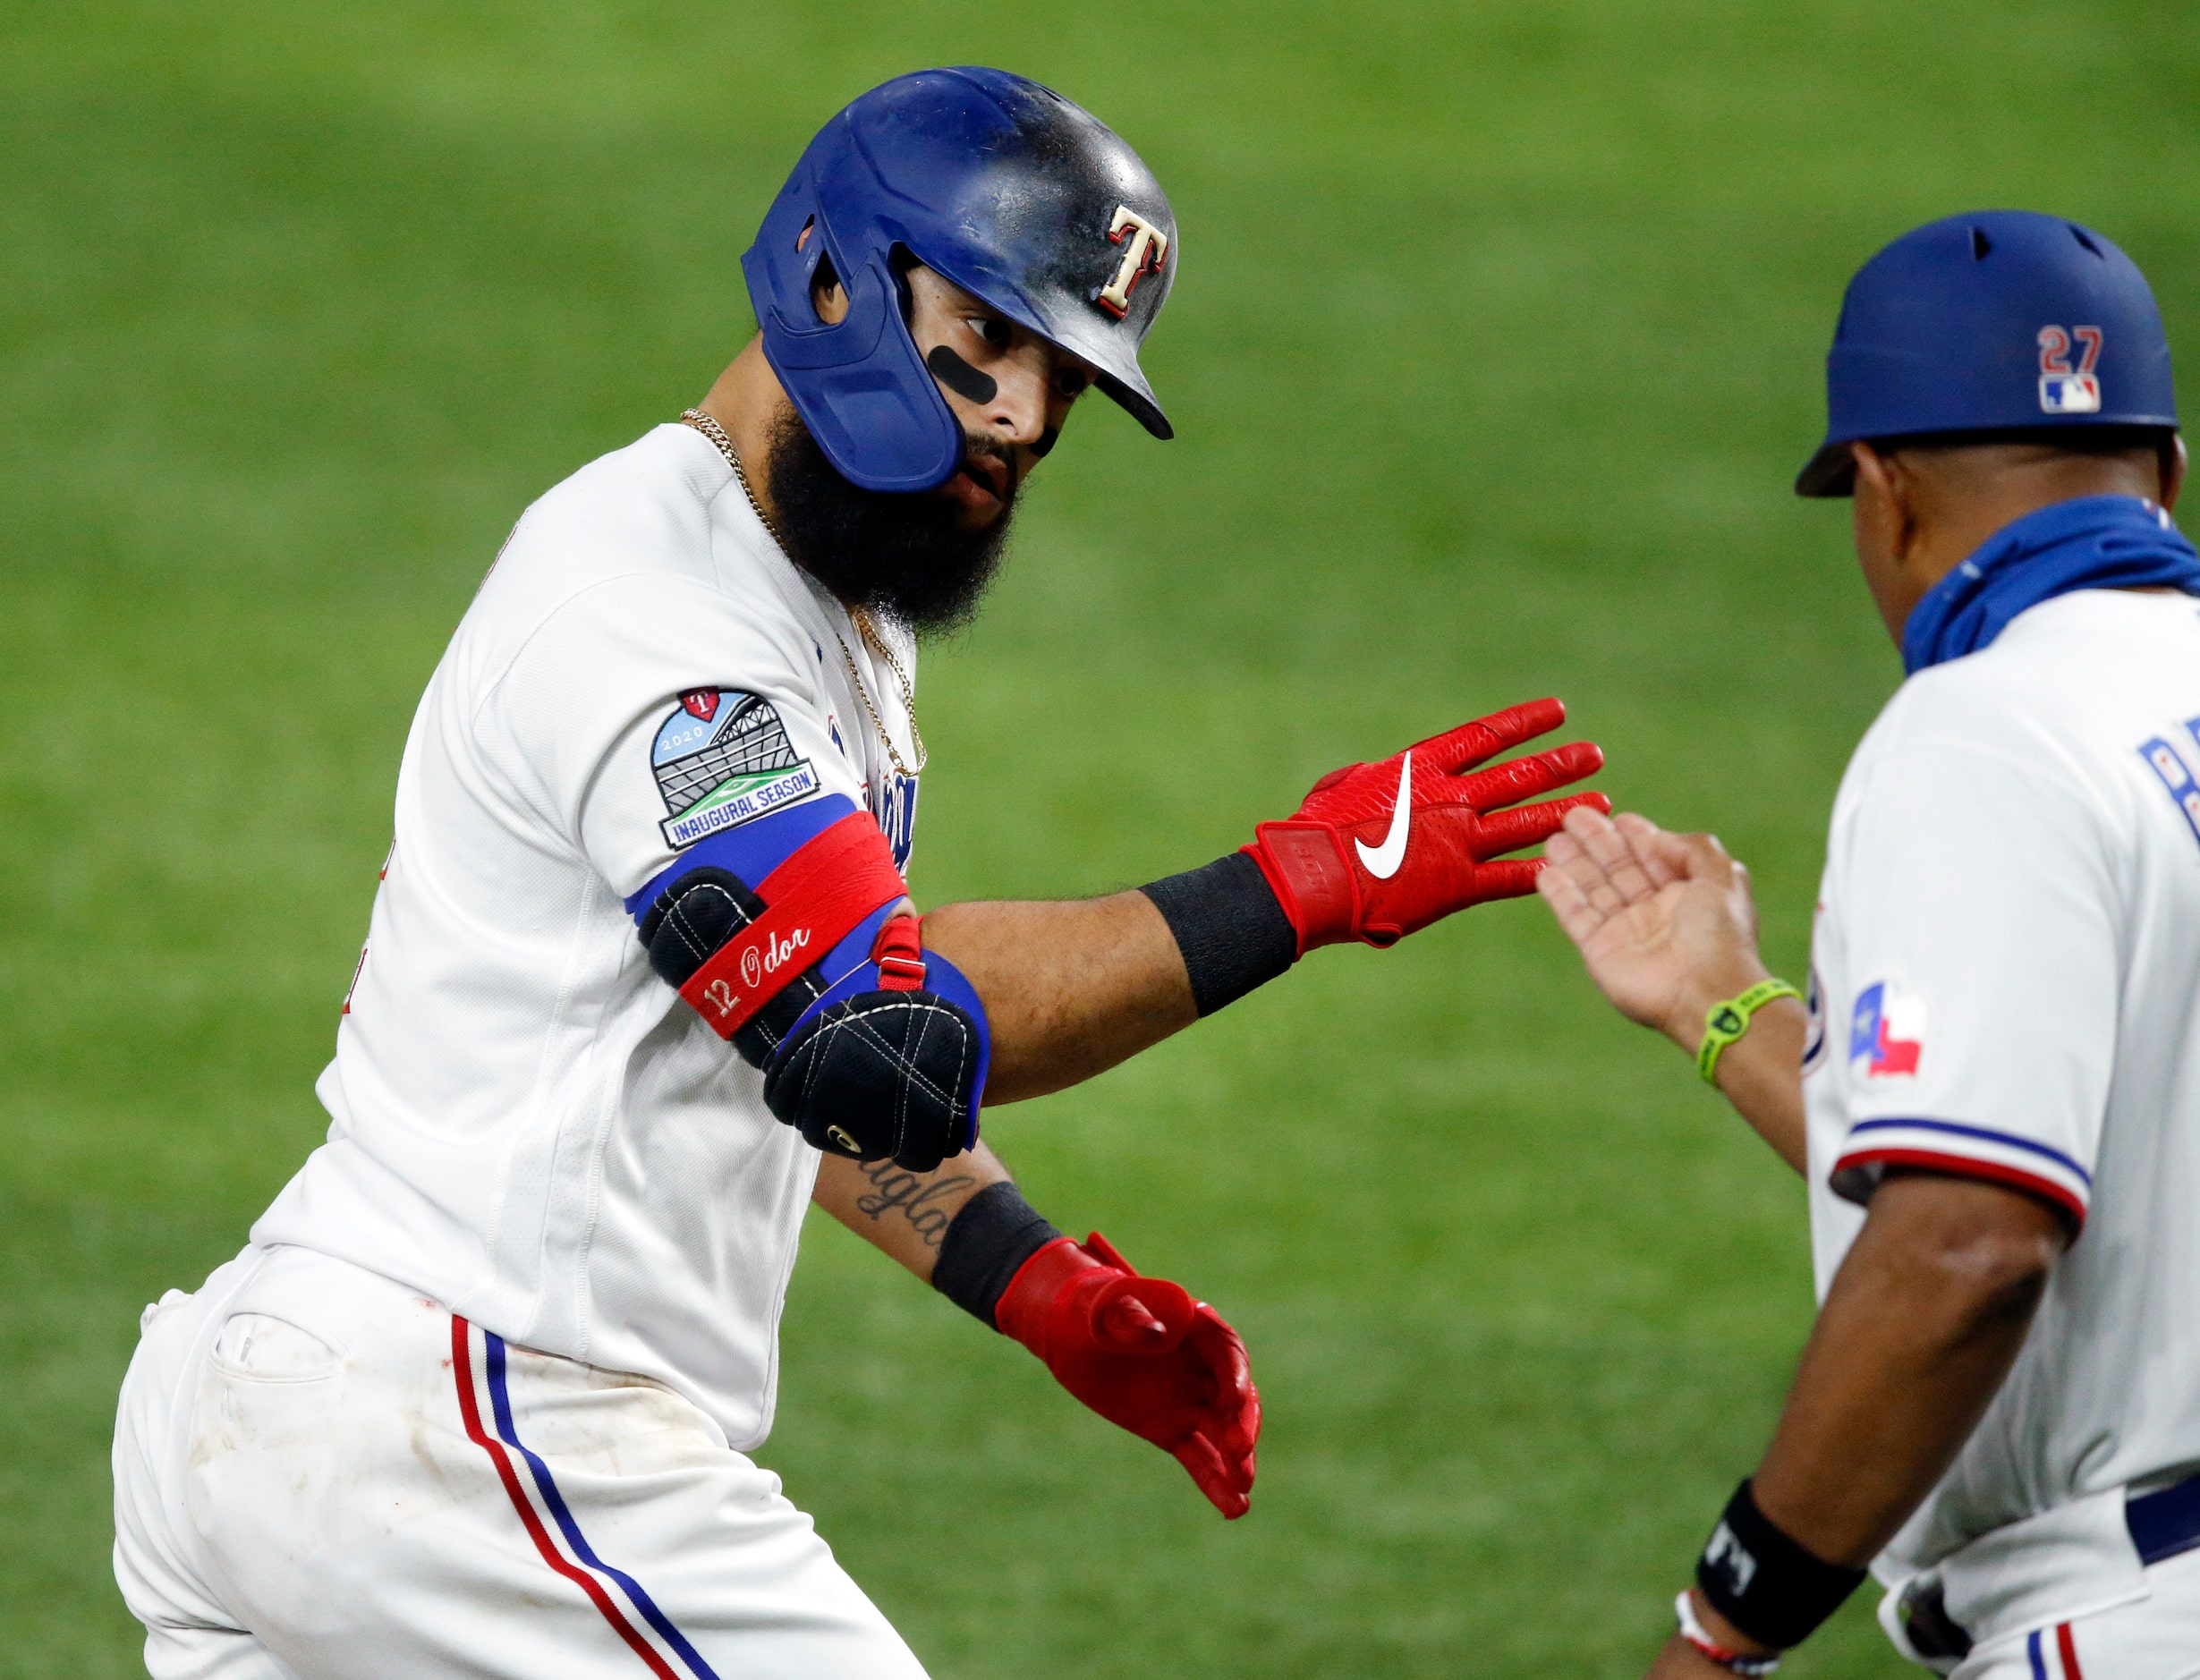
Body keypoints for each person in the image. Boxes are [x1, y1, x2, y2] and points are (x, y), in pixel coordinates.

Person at [111, 67, 1607, 1680]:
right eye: (989, 334)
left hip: (329, 1424)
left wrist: (1034, 1279)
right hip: (460, 1421)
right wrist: (1304, 881)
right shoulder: (659, 620)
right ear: (834, 273)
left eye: (1066, 377)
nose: (1027, 416)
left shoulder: (830, 606)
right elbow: (879, 1034)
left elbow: (784, 1054)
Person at [1538, 208, 2200, 1679]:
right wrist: (1727, 1004)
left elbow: (1969, 1238)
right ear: (2163, 470)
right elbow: (2101, 1148)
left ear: (1888, 494)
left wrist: (1723, 1627)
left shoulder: (1990, 734)